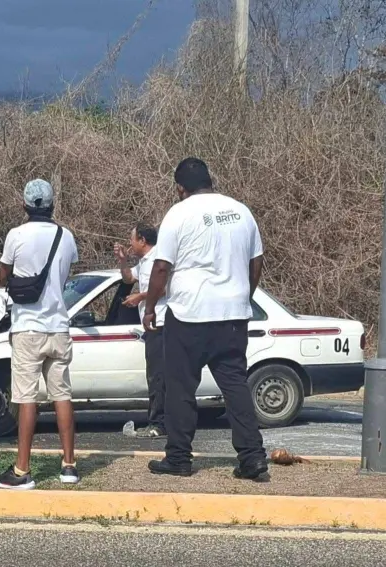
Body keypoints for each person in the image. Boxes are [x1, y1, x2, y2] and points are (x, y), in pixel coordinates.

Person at [143, 157, 268, 480]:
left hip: (189, 315)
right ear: (210, 181)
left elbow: (161, 267)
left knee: (181, 387)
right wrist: (244, 296)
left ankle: (179, 457)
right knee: (235, 386)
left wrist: (150, 306)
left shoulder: (179, 214)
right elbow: (256, 262)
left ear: (180, 188)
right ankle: (253, 458)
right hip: (233, 317)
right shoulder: (241, 211)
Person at [0, 179, 79, 490]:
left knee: (26, 398)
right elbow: (65, 275)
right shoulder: (66, 237)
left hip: (28, 326)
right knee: (62, 396)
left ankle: (22, 469)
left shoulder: (16, 235)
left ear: (24, 205)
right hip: (59, 327)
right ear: (53, 204)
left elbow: (3, 276)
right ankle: (69, 466)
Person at [114, 223, 168, 439]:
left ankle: (158, 423)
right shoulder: (144, 262)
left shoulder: (159, 259)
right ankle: (158, 421)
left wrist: (140, 297)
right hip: (150, 325)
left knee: (159, 376)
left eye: (132, 240)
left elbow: (164, 288)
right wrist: (122, 261)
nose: (130, 244)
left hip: (162, 322)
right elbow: (129, 278)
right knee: (154, 374)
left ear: (142, 241)